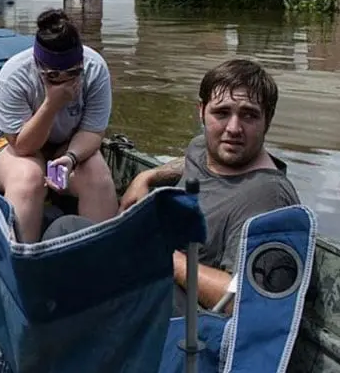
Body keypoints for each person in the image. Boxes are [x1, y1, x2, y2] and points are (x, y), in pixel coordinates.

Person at [119, 58, 301, 314]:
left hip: (185, 312)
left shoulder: (267, 197)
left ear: (267, 120)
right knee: (70, 226)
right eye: (222, 113)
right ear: (202, 112)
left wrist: (165, 254)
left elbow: (244, 301)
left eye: (249, 115)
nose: (233, 128)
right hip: (147, 273)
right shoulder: (205, 147)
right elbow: (192, 161)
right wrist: (147, 177)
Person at [0, 8, 118, 243]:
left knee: (97, 176)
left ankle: (99, 255)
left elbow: (93, 131)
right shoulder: (13, 76)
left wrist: (71, 158)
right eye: (54, 76)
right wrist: (51, 104)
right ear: (40, 67)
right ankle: (22, 257)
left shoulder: (95, 68)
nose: (65, 81)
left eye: (73, 73)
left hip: (68, 142)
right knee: (28, 178)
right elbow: (21, 146)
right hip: (12, 144)